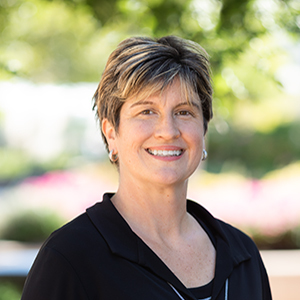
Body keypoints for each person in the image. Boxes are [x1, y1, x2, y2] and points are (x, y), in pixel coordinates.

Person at [21, 36, 272, 300]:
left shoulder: (242, 255)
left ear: (204, 129)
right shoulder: (71, 258)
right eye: (146, 112)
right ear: (111, 134)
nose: (168, 131)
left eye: (184, 112)